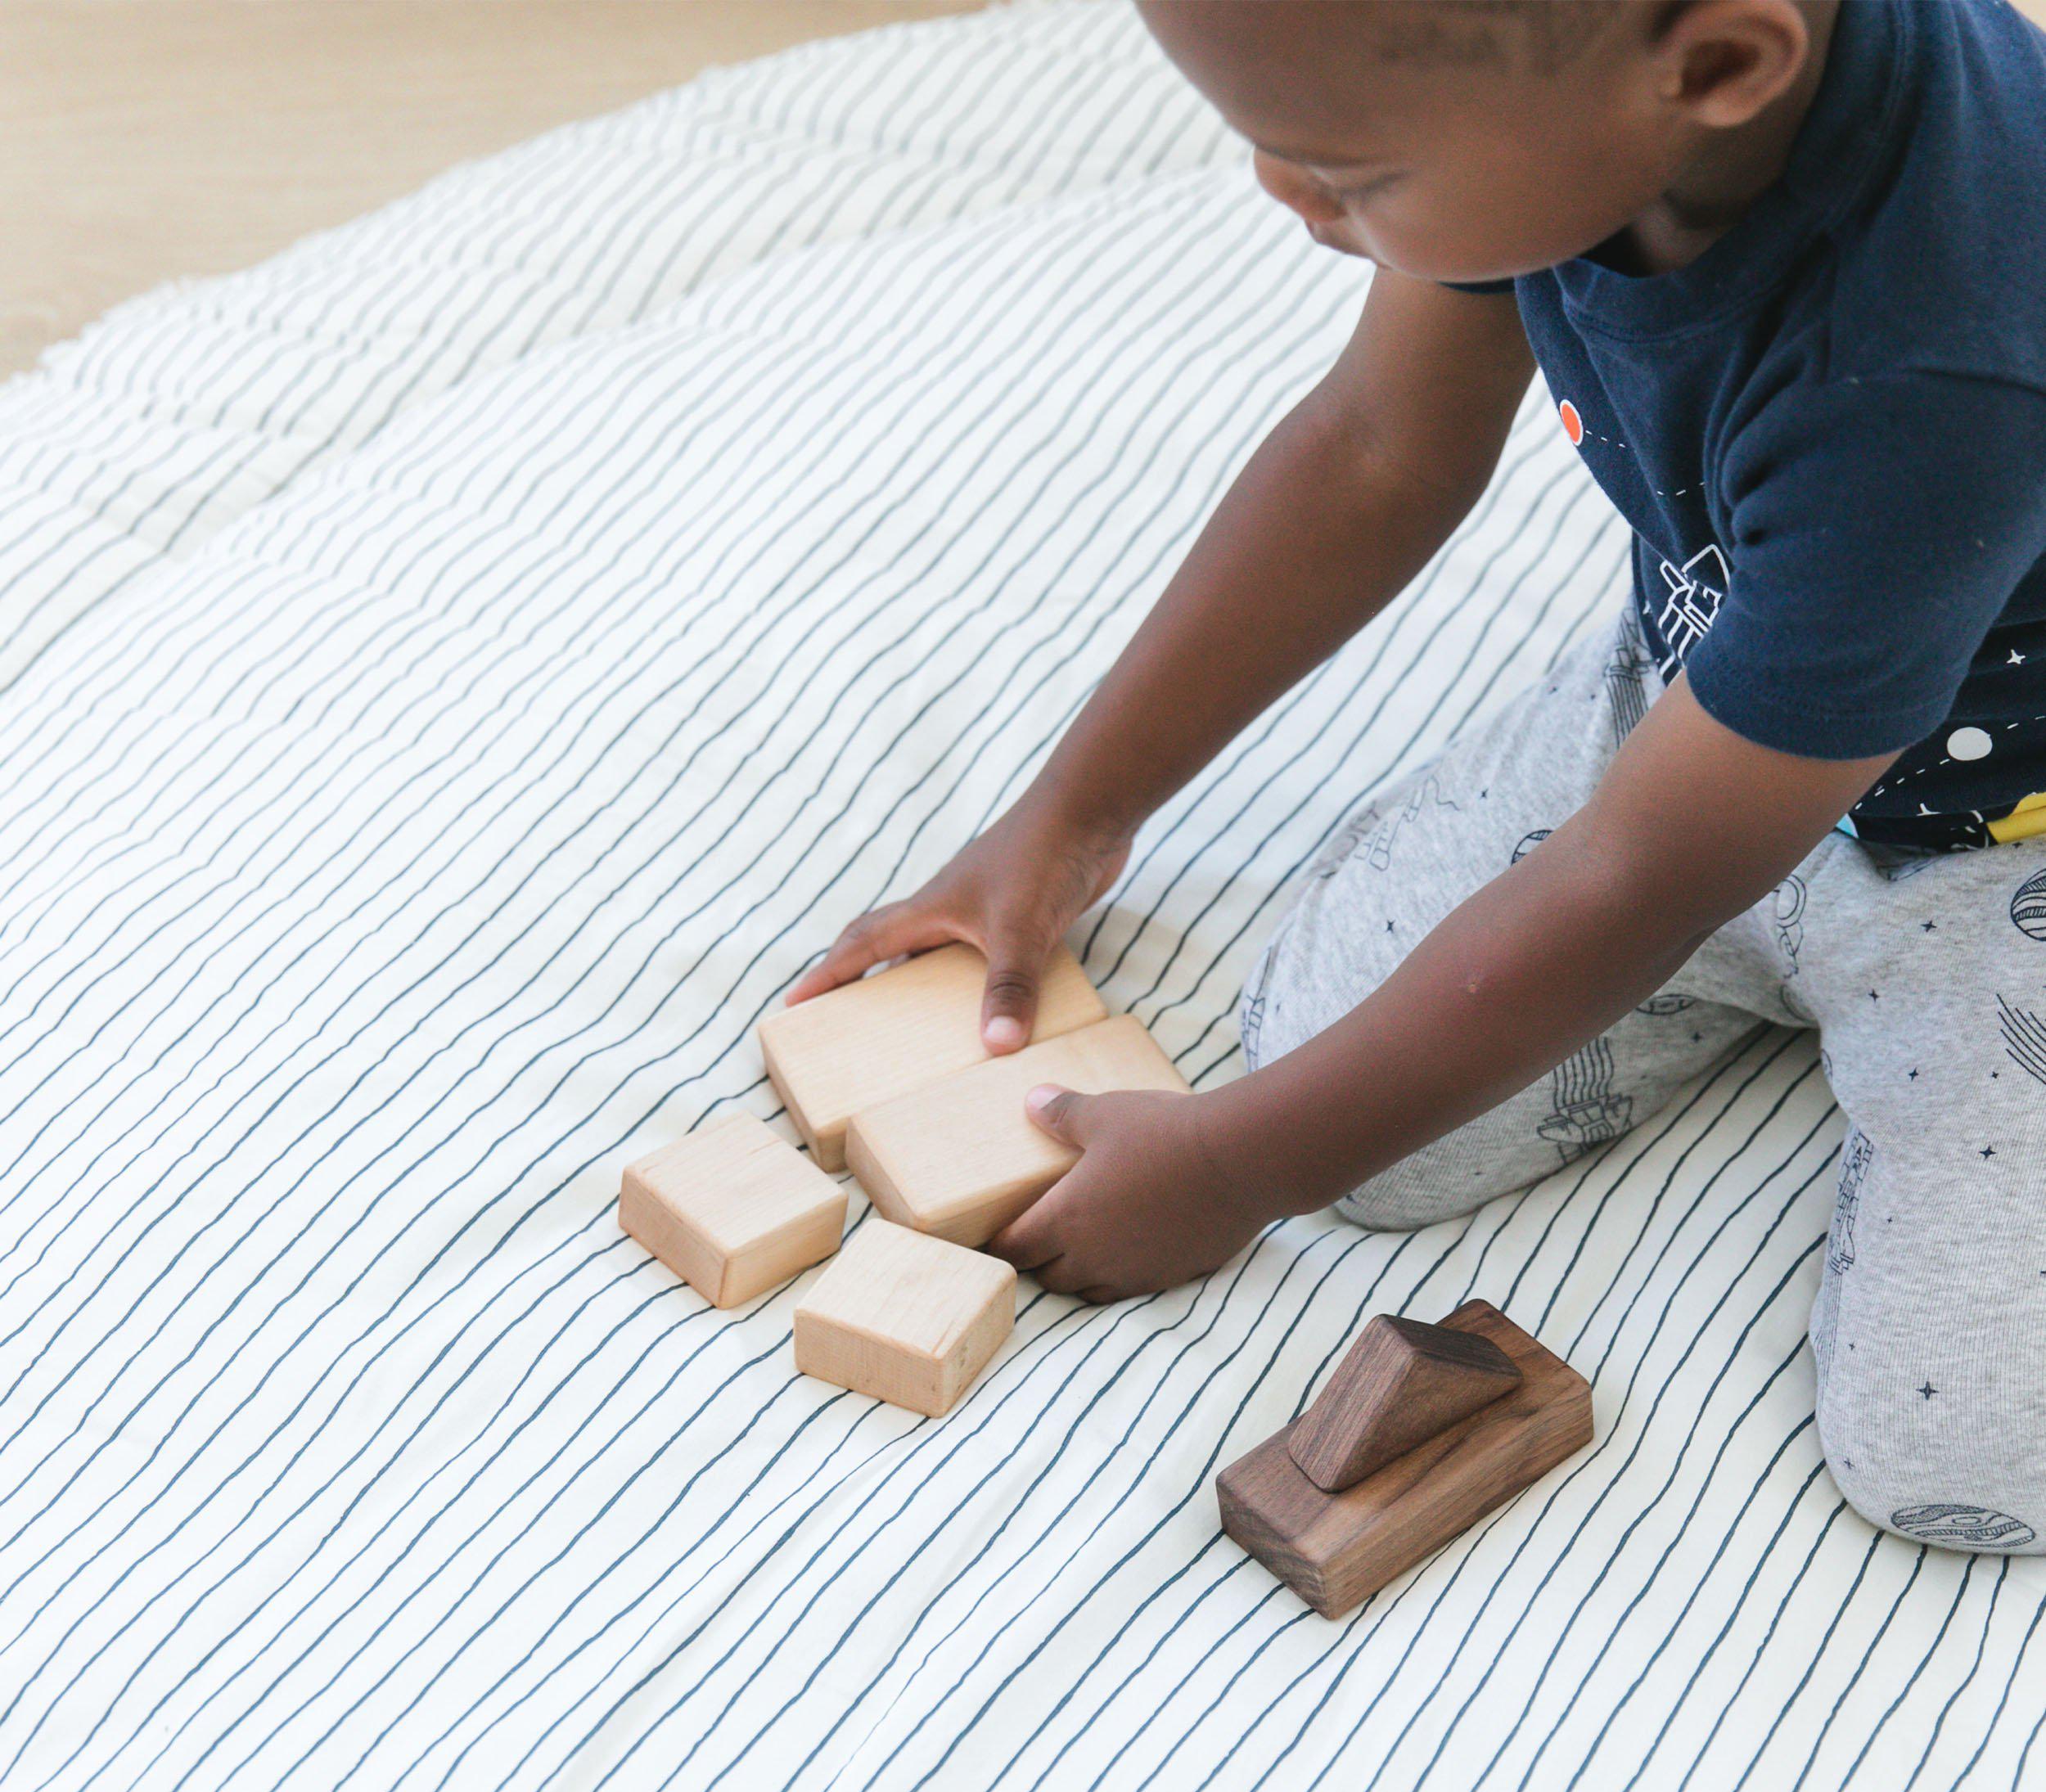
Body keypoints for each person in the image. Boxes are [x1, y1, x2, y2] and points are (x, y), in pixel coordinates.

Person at [784, 0, 2046, 1552]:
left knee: (1964, 1456)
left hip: (2000, 863)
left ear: (1720, 65)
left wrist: (1237, 1168)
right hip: (1712, 702)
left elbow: (1633, 883)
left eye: (1352, 174)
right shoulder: (1592, 122)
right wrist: (1072, 816)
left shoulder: (1941, 368)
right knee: (1328, 1075)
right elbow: (1376, 445)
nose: (1279, 191)